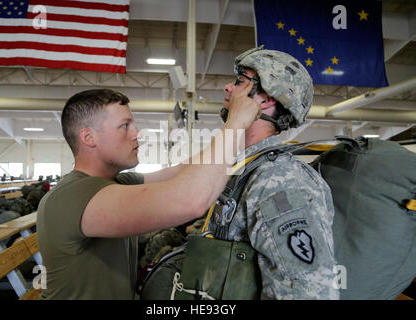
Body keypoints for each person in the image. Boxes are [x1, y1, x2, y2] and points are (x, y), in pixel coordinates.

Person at [141, 47, 339, 300]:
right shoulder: (242, 169)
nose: (227, 87)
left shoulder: (279, 180)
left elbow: (307, 291)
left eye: (239, 82)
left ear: (266, 98)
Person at [36, 87, 261, 299]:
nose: (137, 133)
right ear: (89, 137)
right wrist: (236, 122)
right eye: (125, 126)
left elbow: (184, 170)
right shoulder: (75, 196)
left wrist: (242, 141)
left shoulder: (118, 183)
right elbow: (189, 201)